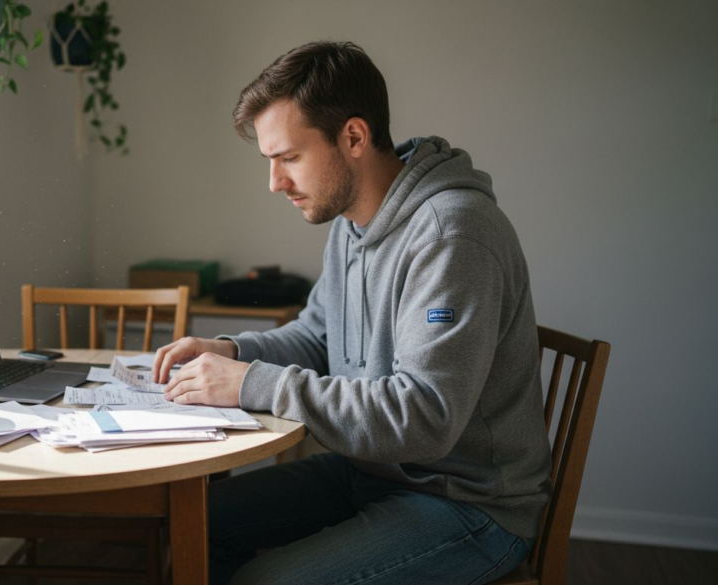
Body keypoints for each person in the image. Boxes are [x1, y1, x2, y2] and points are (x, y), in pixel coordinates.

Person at [150, 41, 552, 585]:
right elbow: (319, 336)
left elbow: (425, 416)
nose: (275, 183)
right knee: (195, 522)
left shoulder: (450, 234)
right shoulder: (351, 223)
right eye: (270, 161)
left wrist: (253, 383)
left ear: (354, 137)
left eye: (289, 158)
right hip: (373, 473)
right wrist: (234, 352)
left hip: (467, 504)